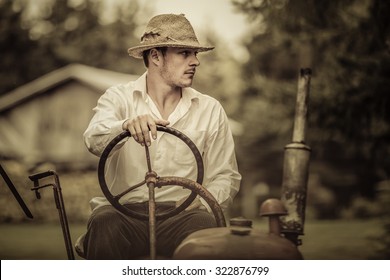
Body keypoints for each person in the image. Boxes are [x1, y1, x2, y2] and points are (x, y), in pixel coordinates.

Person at [83, 13, 241, 259]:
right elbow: (93, 139)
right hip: (124, 213)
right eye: (184, 53)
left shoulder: (210, 109)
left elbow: (225, 175)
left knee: (204, 227)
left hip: (183, 215)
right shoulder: (118, 98)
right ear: (155, 56)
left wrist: (201, 203)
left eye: (195, 54)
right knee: (104, 222)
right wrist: (125, 126)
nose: (195, 62)